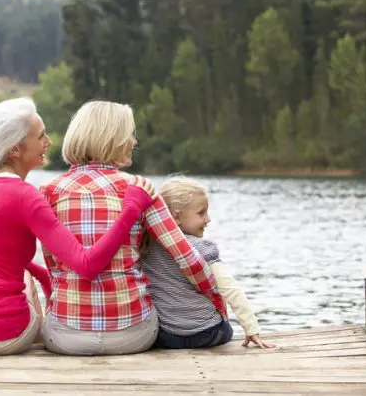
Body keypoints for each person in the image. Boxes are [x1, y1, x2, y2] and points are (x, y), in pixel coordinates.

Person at [0, 97, 156, 355]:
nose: (49, 142)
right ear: (15, 150)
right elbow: (87, 265)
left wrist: (47, 281)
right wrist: (131, 209)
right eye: (41, 136)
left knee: (14, 268)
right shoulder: (25, 196)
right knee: (23, 276)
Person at [39, 100, 227, 356]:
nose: (134, 142)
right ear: (112, 138)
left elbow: (53, 267)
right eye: (130, 134)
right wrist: (216, 298)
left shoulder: (47, 193)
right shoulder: (140, 188)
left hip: (66, 337)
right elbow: (187, 259)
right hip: (133, 334)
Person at [142, 175, 275, 349]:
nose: (208, 219)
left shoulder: (146, 246)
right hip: (208, 334)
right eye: (201, 213)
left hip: (168, 337)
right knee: (225, 327)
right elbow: (230, 289)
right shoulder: (202, 247)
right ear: (177, 216)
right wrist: (252, 329)